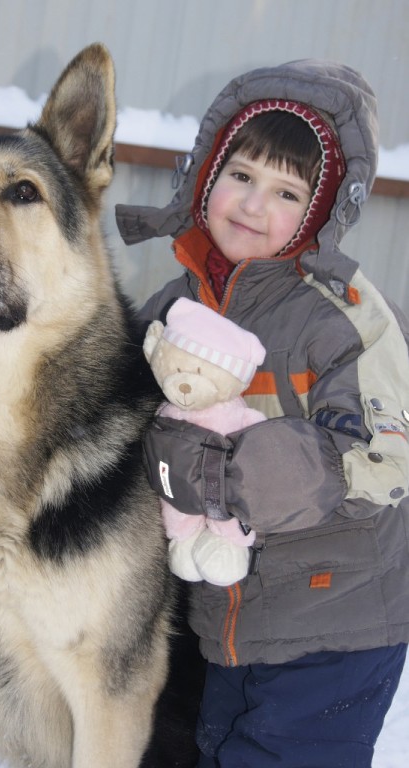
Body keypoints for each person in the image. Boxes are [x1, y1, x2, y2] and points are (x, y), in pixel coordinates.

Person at [116, 59, 409, 767]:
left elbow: (386, 455)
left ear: (320, 213)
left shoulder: (341, 317)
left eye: (285, 192)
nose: (252, 204)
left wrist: (230, 473)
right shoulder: (173, 307)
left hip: (335, 621)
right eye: (240, 175)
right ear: (204, 175)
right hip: (229, 617)